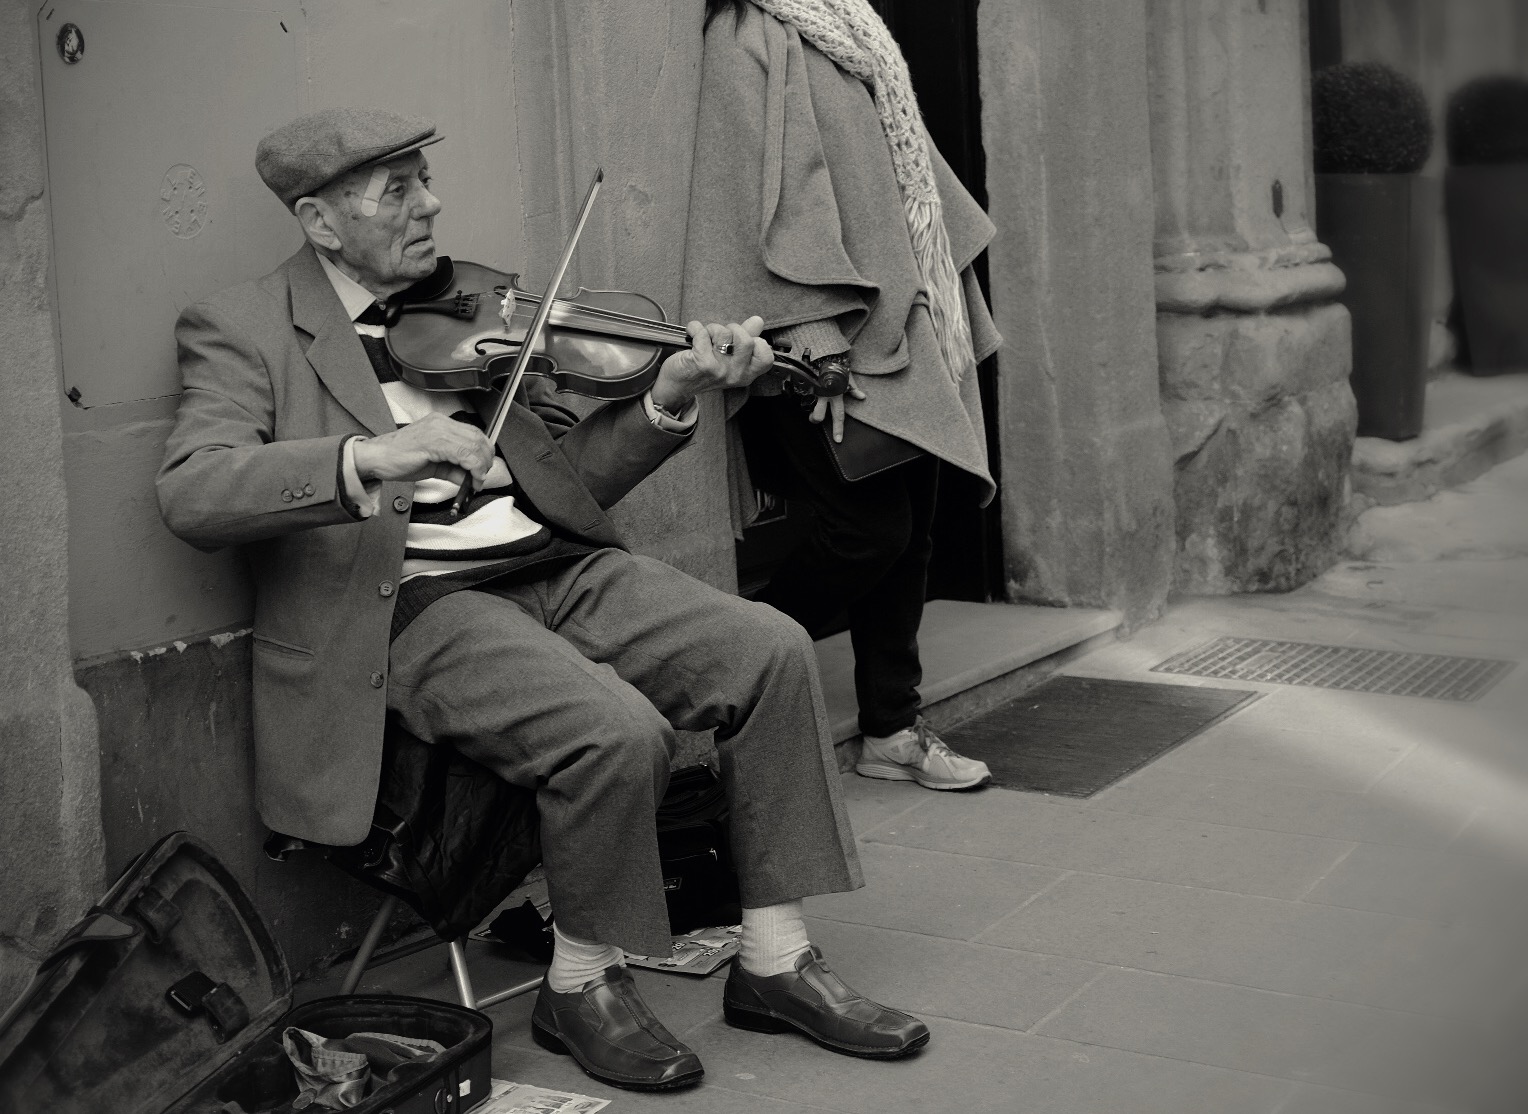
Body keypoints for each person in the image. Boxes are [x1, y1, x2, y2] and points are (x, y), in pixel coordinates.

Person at [157, 108, 929, 1093]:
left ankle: (776, 959)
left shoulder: (477, 306)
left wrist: (672, 393)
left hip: (552, 565)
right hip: (419, 605)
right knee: (612, 732)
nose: (431, 202)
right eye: (396, 189)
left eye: (424, 177)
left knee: (769, 649)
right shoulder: (241, 326)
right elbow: (192, 488)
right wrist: (369, 456)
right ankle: (582, 982)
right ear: (319, 220)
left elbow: (575, 480)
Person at [684, 0, 1003, 791]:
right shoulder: (744, 37)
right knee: (870, 532)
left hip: (905, 313)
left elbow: (908, 170)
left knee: (915, 527)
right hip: (819, 334)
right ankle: (732, 680)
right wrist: (815, 342)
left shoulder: (851, 20)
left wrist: (943, 292)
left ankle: (891, 727)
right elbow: (758, 197)